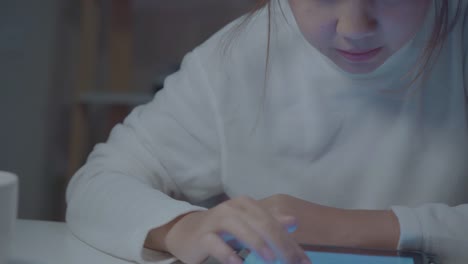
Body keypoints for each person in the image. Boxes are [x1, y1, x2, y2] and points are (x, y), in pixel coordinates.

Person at [66, 0, 468, 263]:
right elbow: (97, 184)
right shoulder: (234, 60)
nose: (354, 27)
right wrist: (182, 226)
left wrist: (341, 227)